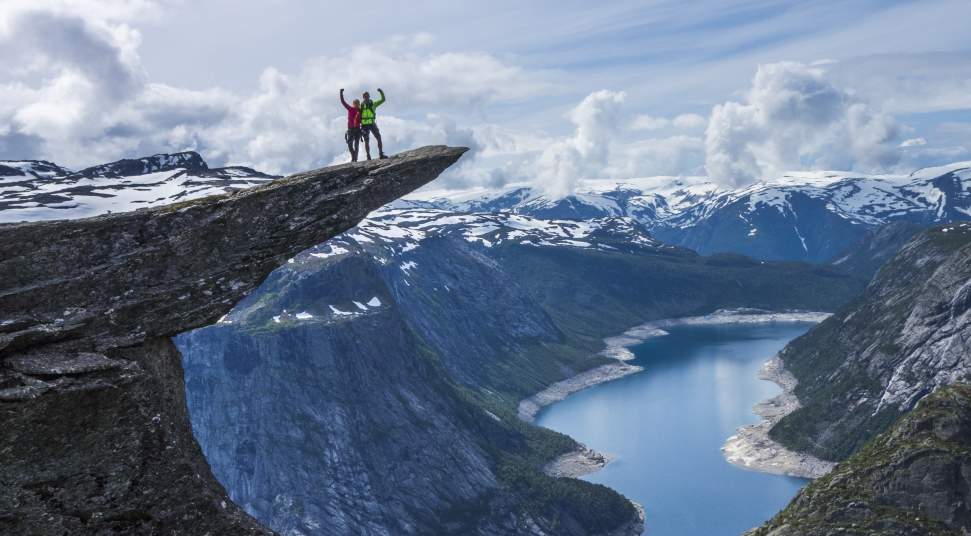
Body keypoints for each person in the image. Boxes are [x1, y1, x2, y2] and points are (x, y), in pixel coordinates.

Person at [360, 88, 387, 160]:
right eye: (365, 96)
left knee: (378, 137)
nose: (366, 97)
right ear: (363, 97)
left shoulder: (373, 104)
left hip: (371, 123)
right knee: (367, 141)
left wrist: (381, 92)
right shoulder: (361, 106)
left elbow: (383, 100)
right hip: (365, 125)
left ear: (369, 96)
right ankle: (368, 156)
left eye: (367, 96)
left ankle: (381, 154)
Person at [339, 88, 361, 162]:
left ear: (359, 104)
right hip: (350, 129)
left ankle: (355, 159)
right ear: (353, 104)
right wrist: (341, 93)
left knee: (356, 145)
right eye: (355, 103)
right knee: (349, 144)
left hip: (358, 129)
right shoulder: (350, 109)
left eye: (357, 103)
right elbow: (343, 102)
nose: (356, 104)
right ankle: (353, 157)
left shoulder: (361, 111)